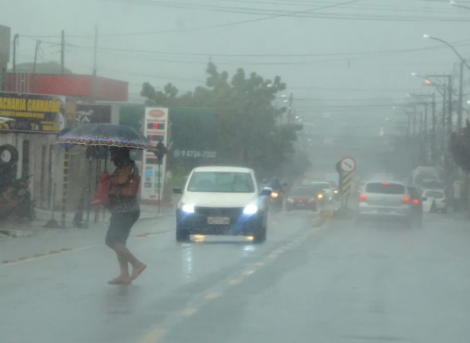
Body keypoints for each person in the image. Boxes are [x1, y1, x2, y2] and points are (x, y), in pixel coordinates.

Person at [105, 147, 146, 285]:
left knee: (111, 240)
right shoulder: (126, 165)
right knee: (119, 242)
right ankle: (124, 275)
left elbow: (121, 180)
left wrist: (108, 179)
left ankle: (137, 264)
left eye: (113, 154)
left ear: (120, 154)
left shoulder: (127, 166)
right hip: (122, 210)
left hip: (125, 211)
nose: (112, 158)